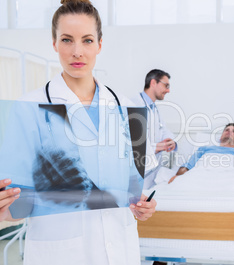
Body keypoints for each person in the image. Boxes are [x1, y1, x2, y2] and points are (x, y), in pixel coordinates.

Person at [0, 1, 156, 264]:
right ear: (54, 43)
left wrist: (144, 207)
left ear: (99, 45)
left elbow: (139, 183)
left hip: (120, 248)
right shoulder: (28, 108)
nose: (77, 52)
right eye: (67, 40)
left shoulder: (127, 107)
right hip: (61, 253)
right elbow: (18, 204)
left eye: (86, 40)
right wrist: (5, 208)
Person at [169, 123, 234, 184]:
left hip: (232, 180)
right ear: (220, 137)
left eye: (233, 131)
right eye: (226, 130)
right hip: (199, 179)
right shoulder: (204, 149)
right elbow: (187, 167)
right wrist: (178, 177)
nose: (229, 132)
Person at [131, 69, 177, 189]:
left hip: (151, 172)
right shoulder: (133, 105)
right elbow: (131, 144)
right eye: (166, 85)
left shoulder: (154, 108)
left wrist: (170, 141)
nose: (168, 90)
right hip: (137, 172)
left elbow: (163, 130)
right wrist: (154, 148)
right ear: (153, 83)